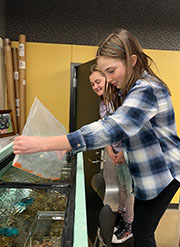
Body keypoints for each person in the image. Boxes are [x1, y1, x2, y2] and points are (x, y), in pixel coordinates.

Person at [13, 29, 180, 247]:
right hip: (146, 175)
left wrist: (42, 143)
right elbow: (115, 127)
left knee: (142, 232)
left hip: (163, 174)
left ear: (132, 60)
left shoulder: (146, 89)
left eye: (111, 71)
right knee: (140, 228)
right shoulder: (128, 90)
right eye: (104, 73)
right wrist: (69, 146)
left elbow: (112, 128)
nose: (109, 80)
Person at [89, 65, 134, 243]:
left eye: (98, 81)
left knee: (129, 190)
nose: (95, 87)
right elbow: (107, 131)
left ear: (108, 80)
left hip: (129, 153)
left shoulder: (120, 100)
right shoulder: (103, 105)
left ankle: (128, 227)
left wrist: (123, 152)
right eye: (92, 84)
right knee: (123, 187)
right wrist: (111, 151)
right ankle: (121, 220)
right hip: (116, 154)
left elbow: (130, 129)